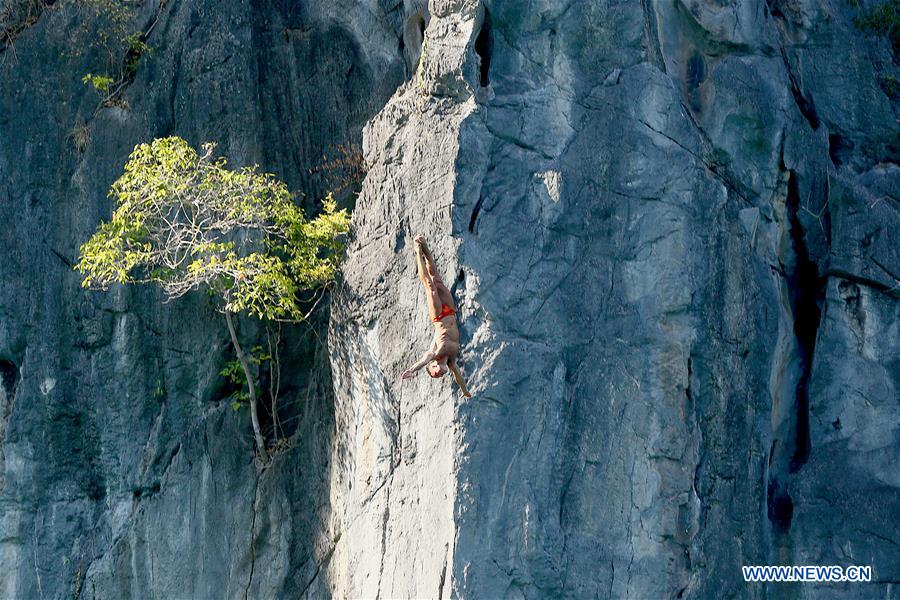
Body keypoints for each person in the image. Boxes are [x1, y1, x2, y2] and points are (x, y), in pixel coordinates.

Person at [400, 235, 472, 397]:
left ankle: (418, 252)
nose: (439, 374)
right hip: (450, 311)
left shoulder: (434, 354)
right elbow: (458, 376)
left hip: (438, 316)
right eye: (439, 376)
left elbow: (424, 360)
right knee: (437, 280)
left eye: (435, 373)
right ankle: (425, 247)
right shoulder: (452, 361)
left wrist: (411, 370)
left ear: (432, 366)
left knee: (431, 287)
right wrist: (464, 390)